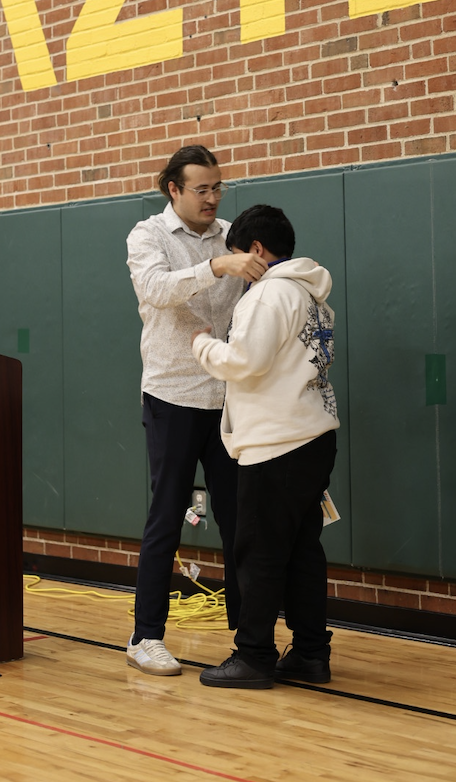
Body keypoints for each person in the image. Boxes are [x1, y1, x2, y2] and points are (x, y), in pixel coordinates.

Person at [125, 146, 268, 676]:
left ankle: (249, 644)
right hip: (173, 396)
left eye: (217, 188)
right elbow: (155, 289)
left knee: (240, 522)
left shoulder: (234, 233)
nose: (212, 198)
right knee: (166, 518)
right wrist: (216, 266)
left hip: (229, 398)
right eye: (202, 189)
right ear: (174, 190)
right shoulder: (148, 236)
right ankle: (145, 637)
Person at [191, 204, 340, 689]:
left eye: (239, 257)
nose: (239, 271)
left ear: (256, 249)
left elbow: (244, 362)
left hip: (276, 444)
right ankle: (311, 653)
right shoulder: (312, 294)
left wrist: (202, 344)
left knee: (259, 553)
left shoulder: (269, 294)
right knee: (302, 551)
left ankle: (254, 656)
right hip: (313, 437)